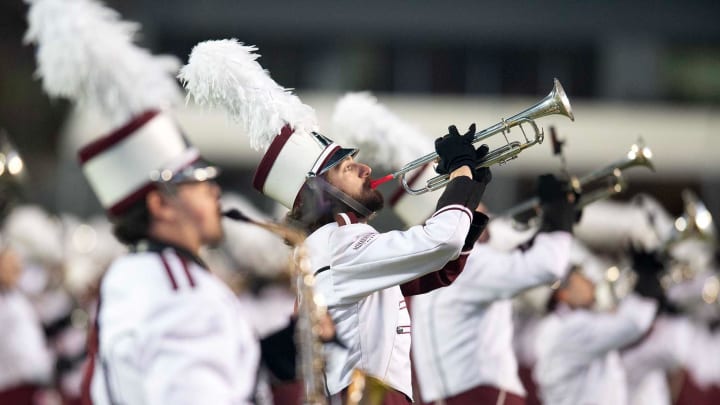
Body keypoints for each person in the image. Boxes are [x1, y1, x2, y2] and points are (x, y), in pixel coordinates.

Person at [410, 174, 577, 405]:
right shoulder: (472, 262)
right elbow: (548, 265)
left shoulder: (424, 267)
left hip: (465, 396)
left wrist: (551, 223)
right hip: (483, 396)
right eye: (472, 203)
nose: (486, 213)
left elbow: (522, 260)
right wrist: (559, 217)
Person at [532, 247, 660, 405]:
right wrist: (647, 287)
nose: (591, 281)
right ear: (562, 292)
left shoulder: (563, 326)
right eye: (582, 275)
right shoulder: (568, 329)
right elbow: (635, 323)